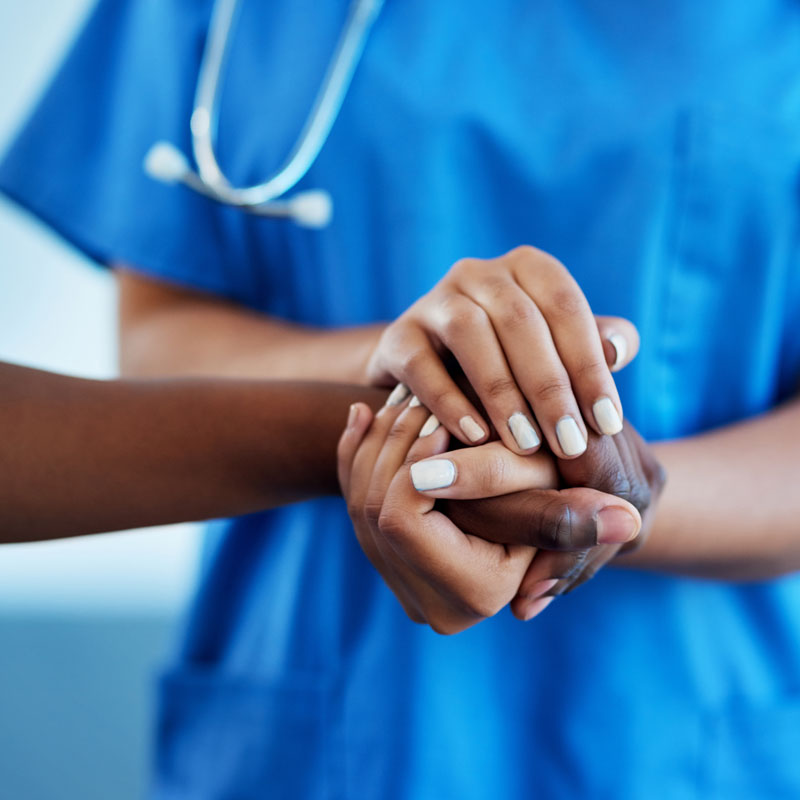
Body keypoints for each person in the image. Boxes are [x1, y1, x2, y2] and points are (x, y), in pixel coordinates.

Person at [1, 1, 799, 798]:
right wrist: (414, 371)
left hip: (694, 724)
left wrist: (590, 499)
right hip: (318, 718)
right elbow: (159, 345)